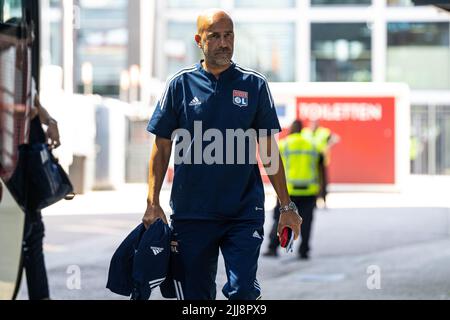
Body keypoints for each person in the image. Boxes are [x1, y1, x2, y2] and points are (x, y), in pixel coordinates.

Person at [142, 9, 302, 300]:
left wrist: (286, 207)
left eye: (228, 36)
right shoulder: (179, 85)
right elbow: (161, 146)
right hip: (192, 215)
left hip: (243, 213)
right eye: (214, 36)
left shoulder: (254, 85)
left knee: (243, 292)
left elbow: (268, 149)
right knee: (195, 297)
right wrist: (153, 203)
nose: (223, 43)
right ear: (199, 40)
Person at [20, 78, 60, 300]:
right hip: (12, 162)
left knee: (33, 231)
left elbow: (34, 102)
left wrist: (50, 121)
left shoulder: (22, 56)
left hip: (26, 161)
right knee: (28, 231)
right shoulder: (8, 57)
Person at [263, 120, 323, 260]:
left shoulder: (285, 144)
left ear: (291, 129)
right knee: (307, 222)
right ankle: (304, 251)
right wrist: (322, 189)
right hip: (309, 191)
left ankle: (273, 248)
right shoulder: (312, 145)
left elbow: (274, 165)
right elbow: (321, 167)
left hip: (288, 192)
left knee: (279, 218)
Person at [301, 120, 339, 207]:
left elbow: (335, 138)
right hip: (310, 160)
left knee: (322, 181)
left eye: (315, 123)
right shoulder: (305, 132)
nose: (313, 125)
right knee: (312, 180)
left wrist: (327, 146)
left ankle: (324, 200)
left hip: (321, 159)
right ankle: (313, 200)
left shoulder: (323, 132)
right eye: (312, 123)